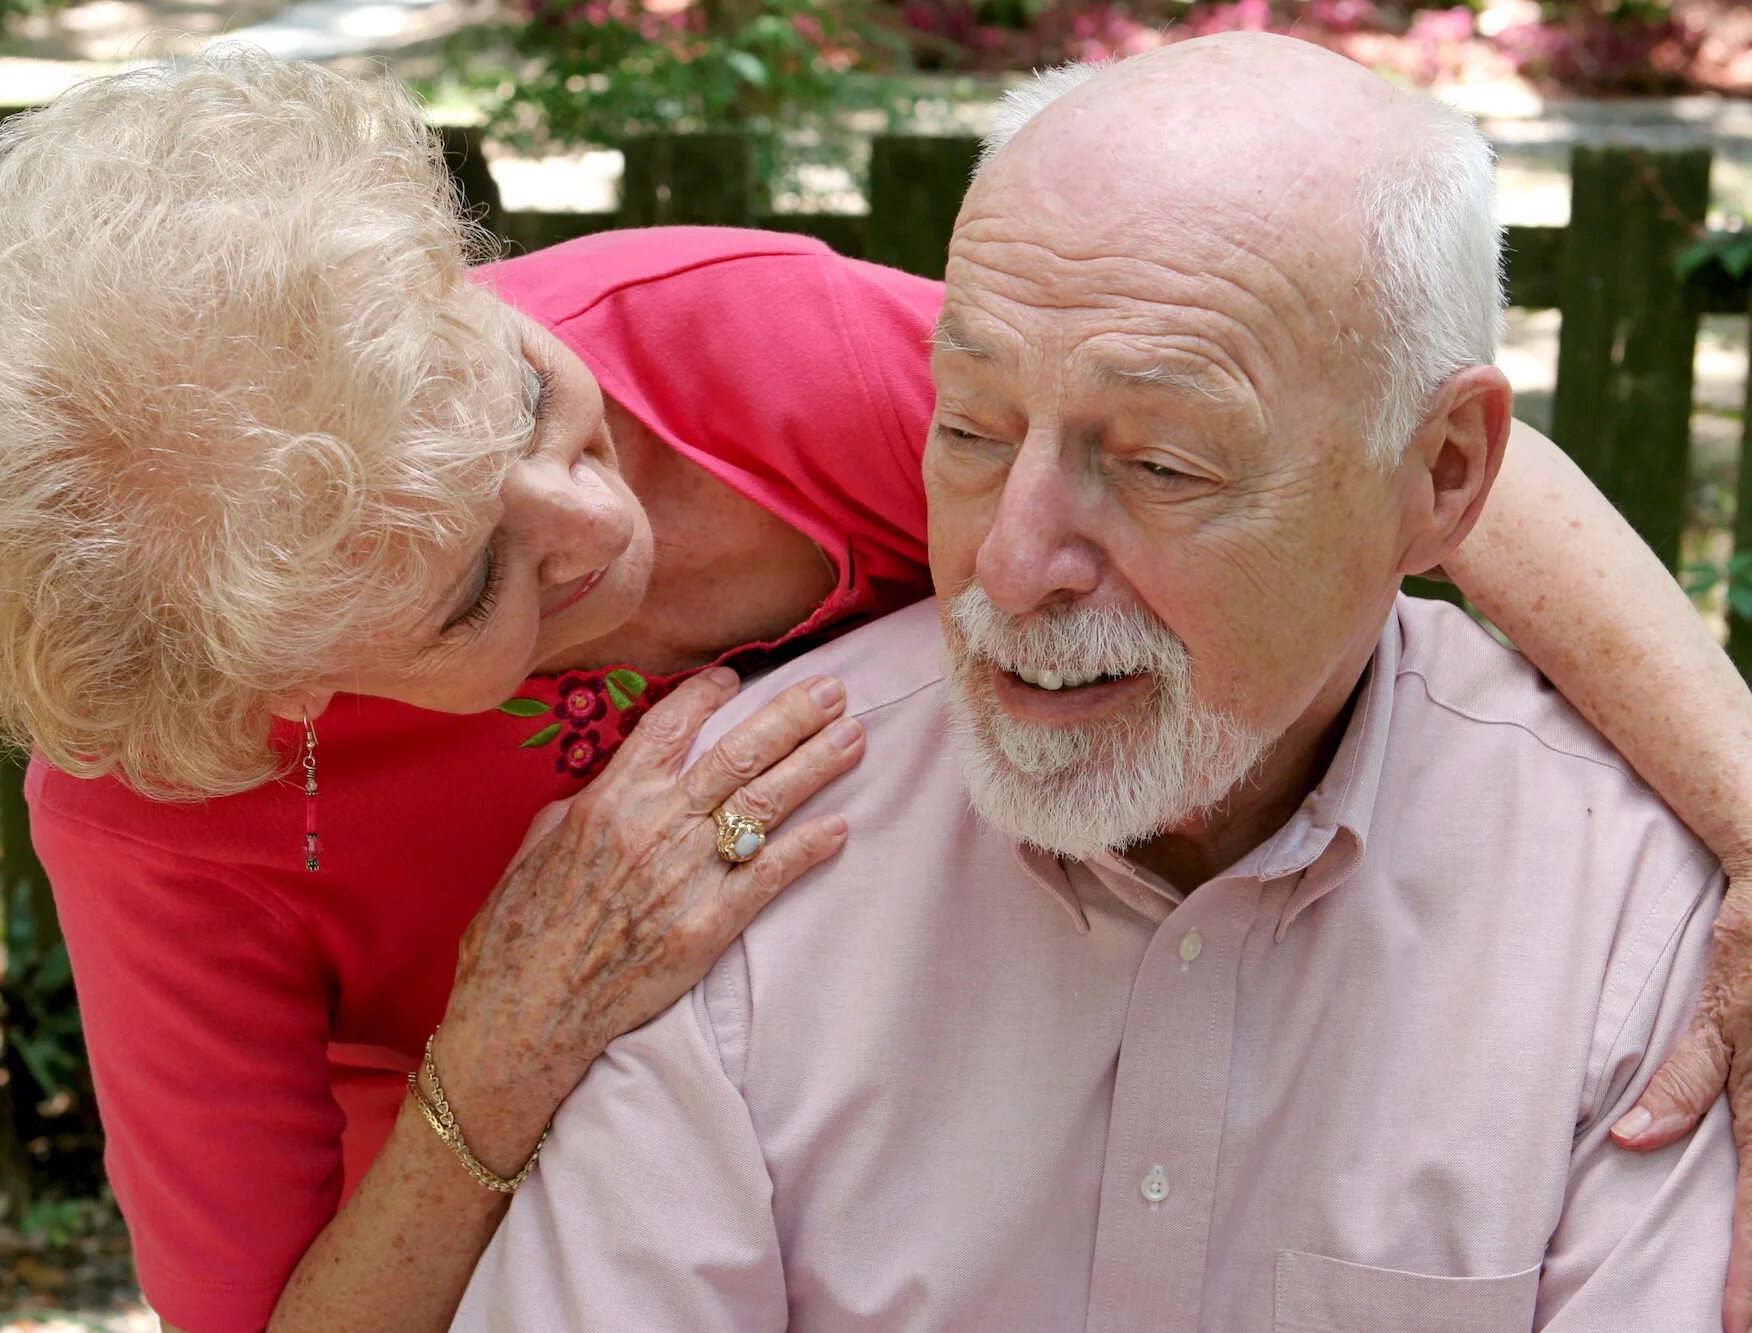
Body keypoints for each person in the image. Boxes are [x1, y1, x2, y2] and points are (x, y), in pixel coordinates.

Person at [0, 47, 1752, 1333]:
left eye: (524, 397)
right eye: (469, 587)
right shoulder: (162, 807)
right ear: (263, 682)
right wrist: (503, 1046)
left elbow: (1317, 436)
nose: (596, 524)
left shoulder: (727, 354)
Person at [450, 36, 1737, 1331]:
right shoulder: (722, 867)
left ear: (1444, 474)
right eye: (967, 428)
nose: (1010, 566)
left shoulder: (1631, 928)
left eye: (1165, 464)